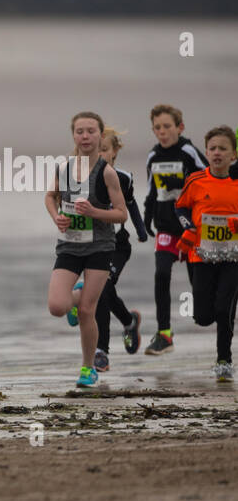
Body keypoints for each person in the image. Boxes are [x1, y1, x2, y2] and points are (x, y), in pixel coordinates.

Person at [45, 112, 128, 388]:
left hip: (99, 247)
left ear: (99, 135)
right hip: (70, 245)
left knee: (87, 312)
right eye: (80, 131)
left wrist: (94, 211)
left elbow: (121, 214)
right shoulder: (64, 168)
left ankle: (87, 368)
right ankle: (78, 292)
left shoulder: (107, 172)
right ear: (73, 136)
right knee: (57, 306)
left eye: (91, 131)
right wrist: (56, 216)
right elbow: (50, 196)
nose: (85, 136)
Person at [173, 125, 238, 382]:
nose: (217, 153)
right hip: (201, 256)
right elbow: (180, 209)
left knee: (224, 309)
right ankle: (218, 313)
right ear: (207, 152)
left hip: (233, 259)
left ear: (233, 155)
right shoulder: (196, 181)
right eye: (212, 148)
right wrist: (188, 230)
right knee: (201, 316)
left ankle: (224, 360)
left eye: (223, 149)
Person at [142, 104, 207, 355]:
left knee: (197, 284)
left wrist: (182, 183)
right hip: (166, 227)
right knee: (161, 274)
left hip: (192, 229)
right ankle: (164, 334)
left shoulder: (188, 151)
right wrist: (147, 218)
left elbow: (207, 178)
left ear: (179, 127)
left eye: (167, 126)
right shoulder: (153, 156)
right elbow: (151, 190)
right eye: (157, 128)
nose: (162, 132)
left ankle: (208, 314)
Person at [89, 127, 149, 370]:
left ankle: (101, 351)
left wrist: (141, 229)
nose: (101, 154)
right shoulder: (83, 176)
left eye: (105, 150)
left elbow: (132, 205)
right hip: (91, 245)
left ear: (115, 152)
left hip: (117, 245)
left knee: (103, 289)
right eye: (97, 150)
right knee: (102, 292)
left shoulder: (123, 178)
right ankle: (128, 320)